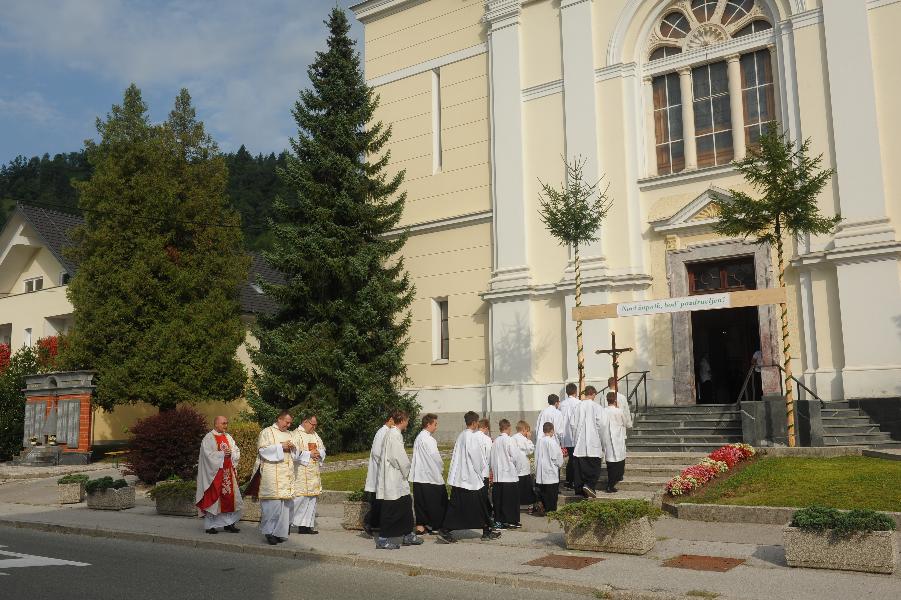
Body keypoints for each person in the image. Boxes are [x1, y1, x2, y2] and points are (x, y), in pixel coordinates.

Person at [438, 411, 500, 543]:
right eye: (477, 422)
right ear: (474, 423)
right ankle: (446, 530)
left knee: (459, 505)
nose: (478, 424)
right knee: (478, 504)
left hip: (460, 477)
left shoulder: (461, 435)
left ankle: (486, 529)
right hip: (471, 479)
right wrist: (482, 471)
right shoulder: (471, 437)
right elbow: (477, 458)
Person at [375, 410, 421, 549]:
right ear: (402, 421)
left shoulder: (393, 433)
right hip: (394, 477)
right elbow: (398, 457)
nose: (408, 423)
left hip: (397, 478)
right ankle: (383, 539)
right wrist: (408, 469)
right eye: (407, 421)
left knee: (406, 505)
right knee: (391, 509)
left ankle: (407, 534)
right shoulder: (394, 434)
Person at [254, 411, 298, 545]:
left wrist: (293, 448)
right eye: (287, 422)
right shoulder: (267, 432)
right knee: (272, 506)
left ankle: (279, 532)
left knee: (285, 507)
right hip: (272, 475)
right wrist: (280, 447)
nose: (288, 425)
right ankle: (269, 532)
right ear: (279, 419)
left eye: (290, 423)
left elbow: (297, 453)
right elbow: (262, 450)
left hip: (286, 475)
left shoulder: (290, 434)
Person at [196, 416, 243, 534]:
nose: (225, 426)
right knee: (214, 500)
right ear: (216, 424)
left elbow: (236, 450)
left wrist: (231, 453)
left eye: (226, 423)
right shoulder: (209, 438)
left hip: (228, 473)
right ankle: (210, 526)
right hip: (214, 475)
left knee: (230, 498)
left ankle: (229, 524)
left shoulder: (228, 437)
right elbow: (207, 455)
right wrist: (222, 454)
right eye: (223, 423)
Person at [409, 413, 447, 536]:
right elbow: (436, 457)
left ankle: (420, 526)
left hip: (418, 475)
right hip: (431, 475)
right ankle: (436, 526)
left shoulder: (418, 437)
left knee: (420, 502)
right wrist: (441, 468)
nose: (436, 427)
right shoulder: (429, 440)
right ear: (428, 424)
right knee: (437, 501)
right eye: (435, 424)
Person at [571, 385, 610, 498]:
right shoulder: (598, 408)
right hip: (594, 441)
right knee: (594, 467)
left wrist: (576, 439)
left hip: (580, 442)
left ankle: (580, 490)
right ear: (593, 394)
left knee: (580, 468)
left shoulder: (577, 407)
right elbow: (602, 426)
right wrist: (603, 442)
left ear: (585, 394)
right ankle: (589, 485)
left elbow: (573, 425)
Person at [290, 413, 326, 535]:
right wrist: (309, 454)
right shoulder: (296, 434)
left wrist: (319, 453)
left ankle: (306, 526)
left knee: (311, 500)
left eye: (315, 425)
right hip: (300, 473)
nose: (314, 427)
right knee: (299, 499)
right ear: (305, 422)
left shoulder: (315, 435)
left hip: (313, 473)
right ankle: (287, 524)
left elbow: (323, 449)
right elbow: (293, 454)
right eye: (312, 424)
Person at [363, 412, 394, 538]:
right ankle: (368, 522)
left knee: (380, 501)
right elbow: (377, 452)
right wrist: (387, 463)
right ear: (390, 420)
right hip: (379, 473)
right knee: (378, 501)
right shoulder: (383, 432)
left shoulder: (386, 431)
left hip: (382, 473)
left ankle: (376, 524)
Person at [489, 419, 520, 528]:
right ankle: (510, 521)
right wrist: (516, 468)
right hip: (509, 475)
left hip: (498, 476)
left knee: (499, 500)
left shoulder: (495, 441)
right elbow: (516, 457)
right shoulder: (510, 440)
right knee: (510, 500)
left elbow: (491, 458)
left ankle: (499, 520)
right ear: (508, 427)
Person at [533, 421, 564, 515]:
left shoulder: (539, 441)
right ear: (552, 431)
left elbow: (536, 456)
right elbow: (556, 456)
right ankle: (551, 510)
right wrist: (559, 464)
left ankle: (544, 508)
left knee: (543, 492)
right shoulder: (552, 442)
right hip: (551, 471)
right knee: (552, 493)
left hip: (541, 472)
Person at [603, 392, 628, 493]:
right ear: (615, 401)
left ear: (607, 400)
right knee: (619, 459)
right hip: (618, 438)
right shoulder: (619, 411)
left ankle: (611, 482)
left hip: (607, 438)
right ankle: (614, 481)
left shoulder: (603, 411)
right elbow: (625, 423)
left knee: (610, 462)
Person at [559, 383, 580, 489]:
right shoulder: (579, 403)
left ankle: (569, 480)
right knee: (575, 459)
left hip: (565, 436)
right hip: (576, 436)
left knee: (571, 458)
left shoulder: (562, 404)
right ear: (576, 391)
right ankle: (574, 480)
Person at [511, 420, 536, 509]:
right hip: (524, 467)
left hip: (516, 467)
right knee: (527, 489)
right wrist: (529, 439)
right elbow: (530, 450)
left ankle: (516, 505)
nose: (528, 433)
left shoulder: (512, 438)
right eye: (527, 430)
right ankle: (529, 505)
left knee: (517, 488)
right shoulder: (524, 439)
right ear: (524, 429)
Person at [476, 418, 493, 516]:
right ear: (486, 428)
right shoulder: (487, 439)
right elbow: (489, 455)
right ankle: (484, 514)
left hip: (474, 471)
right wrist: (491, 468)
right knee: (483, 493)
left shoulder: (473, 436)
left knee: (476, 493)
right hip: (484, 471)